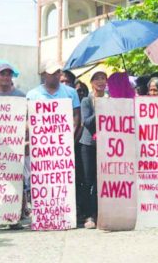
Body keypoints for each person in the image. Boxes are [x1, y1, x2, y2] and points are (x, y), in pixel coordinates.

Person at [26, 61, 82, 225]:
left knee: (64, 180)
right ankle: (44, 214)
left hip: (64, 146)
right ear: (44, 74)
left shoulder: (71, 92)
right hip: (42, 148)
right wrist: (35, 136)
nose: (56, 75)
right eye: (52, 73)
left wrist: (69, 139)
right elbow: (28, 119)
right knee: (43, 181)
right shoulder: (33, 94)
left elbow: (77, 118)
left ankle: (66, 213)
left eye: (58, 72)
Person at [0, 64, 28, 221]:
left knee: (16, 180)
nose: (6, 77)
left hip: (15, 146)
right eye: (2, 74)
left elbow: (26, 121)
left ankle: (16, 213)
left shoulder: (21, 96)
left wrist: (26, 140)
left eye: (9, 74)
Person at [78, 70, 108, 229]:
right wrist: (100, 108)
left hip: (106, 144)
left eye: (103, 78)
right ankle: (88, 215)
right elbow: (88, 123)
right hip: (89, 145)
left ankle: (100, 212)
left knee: (101, 181)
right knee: (89, 180)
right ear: (91, 82)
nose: (100, 81)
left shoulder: (111, 98)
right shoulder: (86, 100)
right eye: (97, 79)